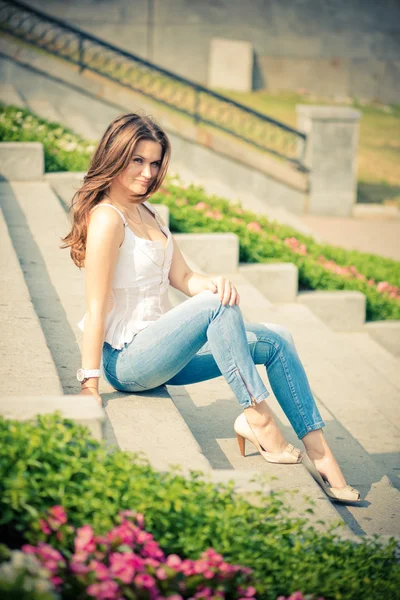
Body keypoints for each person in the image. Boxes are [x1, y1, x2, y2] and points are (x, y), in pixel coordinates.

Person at [61, 112, 360, 505]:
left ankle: (324, 458)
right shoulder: (107, 219)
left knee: (276, 340)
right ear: (115, 156)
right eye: (137, 160)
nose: (148, 172)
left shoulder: (149, 213)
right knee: (216, 308)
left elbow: (183, 277)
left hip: (164, 352)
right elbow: (96, 306)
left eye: (154, 163)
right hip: (128, 362)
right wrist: (89, 385)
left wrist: (211, 283)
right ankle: (259, 418)